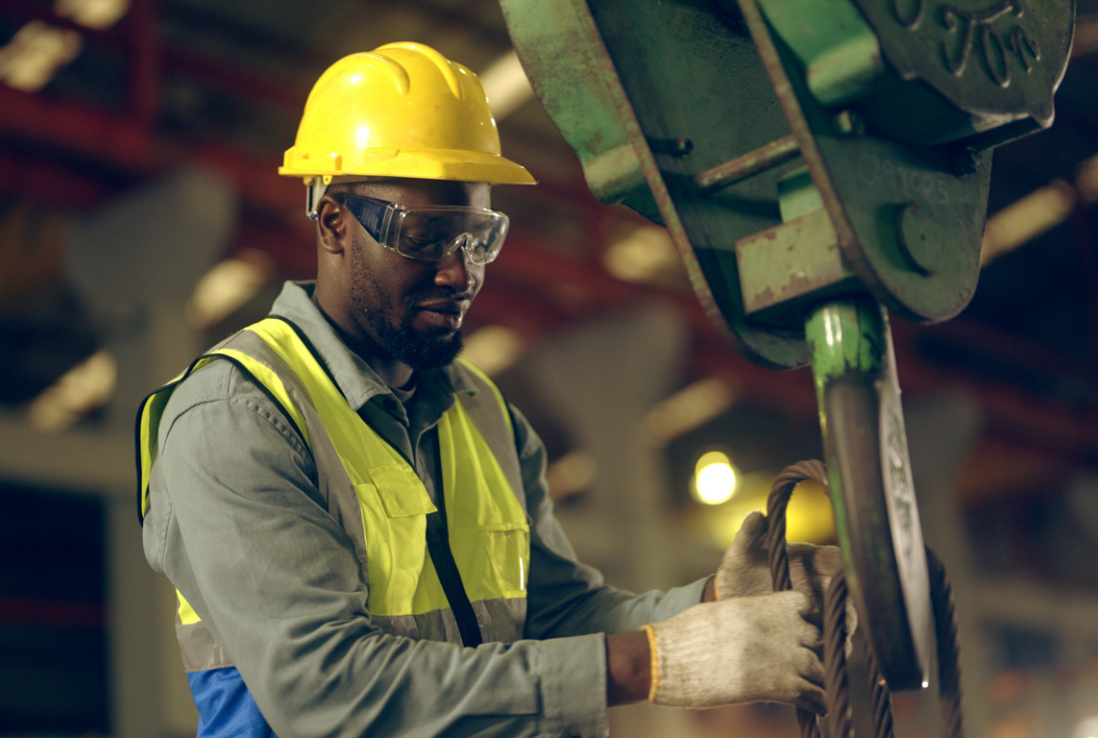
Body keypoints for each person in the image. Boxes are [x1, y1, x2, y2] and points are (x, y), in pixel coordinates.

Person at [137, 41, 841, 737]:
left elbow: (560, 618)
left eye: (477, 236)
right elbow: (326, 690)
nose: (459, 272)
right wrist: (645, 665)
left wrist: (716, 604)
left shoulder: (483, 413)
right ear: (333, 223)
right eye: (426, 235)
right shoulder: (238, 416)